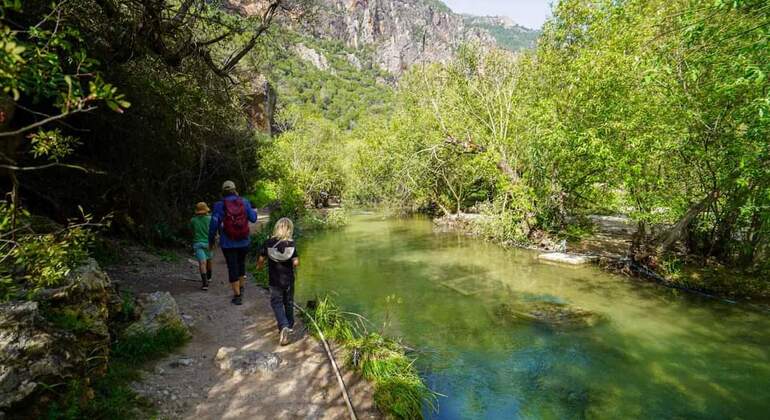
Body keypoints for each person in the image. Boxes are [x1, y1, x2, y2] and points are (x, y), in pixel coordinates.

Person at [209, 180, 257, 305]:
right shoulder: (245, 202)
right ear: (235, 189)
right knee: (241, 265)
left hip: (228, 243)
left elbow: (214, 225)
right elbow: (253, 218)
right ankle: (241, 288)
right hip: (244, 241)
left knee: (232, 267)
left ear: (223, 191)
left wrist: (211, 240)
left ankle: (237, 296)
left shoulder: (219, 205)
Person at [257, 217, 299, 346]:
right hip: (289, 280)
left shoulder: (269, 242)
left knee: (276, 303)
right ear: (289, 229)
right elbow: (296, 262)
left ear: (277, 228)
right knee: (289, 302)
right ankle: (289, 326)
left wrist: (259, 267)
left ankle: (284, 325)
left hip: (275, 280)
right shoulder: (291, 244)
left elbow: (261, 259)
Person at [190, 202, 213, 291]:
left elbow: (192, 231)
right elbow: (213, 231)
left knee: (202, 263)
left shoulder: (193, 220)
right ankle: (209, 277)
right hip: (208, 243)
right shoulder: (210, 219)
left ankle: (205, 283)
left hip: (198, 243)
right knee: (209, 260)